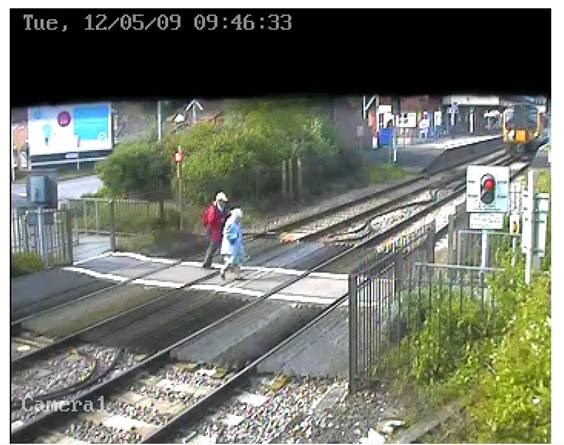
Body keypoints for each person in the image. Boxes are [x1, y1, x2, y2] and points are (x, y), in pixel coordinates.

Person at [202, 192, 230, 268]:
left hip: (219, 230)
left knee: (221, 246)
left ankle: (226, 263)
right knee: (213, 247)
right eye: (223, 201)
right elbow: (211, 220)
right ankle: (206, 263)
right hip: (212, 230)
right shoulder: (213, 209)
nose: (224, 203)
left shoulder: (223, 209)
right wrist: (220, 220)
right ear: (219, 201)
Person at [220, 208, 245, 280]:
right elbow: (226, 233)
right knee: (231, 261)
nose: (239, 219)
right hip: (231, 245)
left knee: (238, 260)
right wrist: (234, 237)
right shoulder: (230, 222)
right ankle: (223, 270)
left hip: (237, 245)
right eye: (238, 217)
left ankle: (237, 275)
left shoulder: (237, 223)